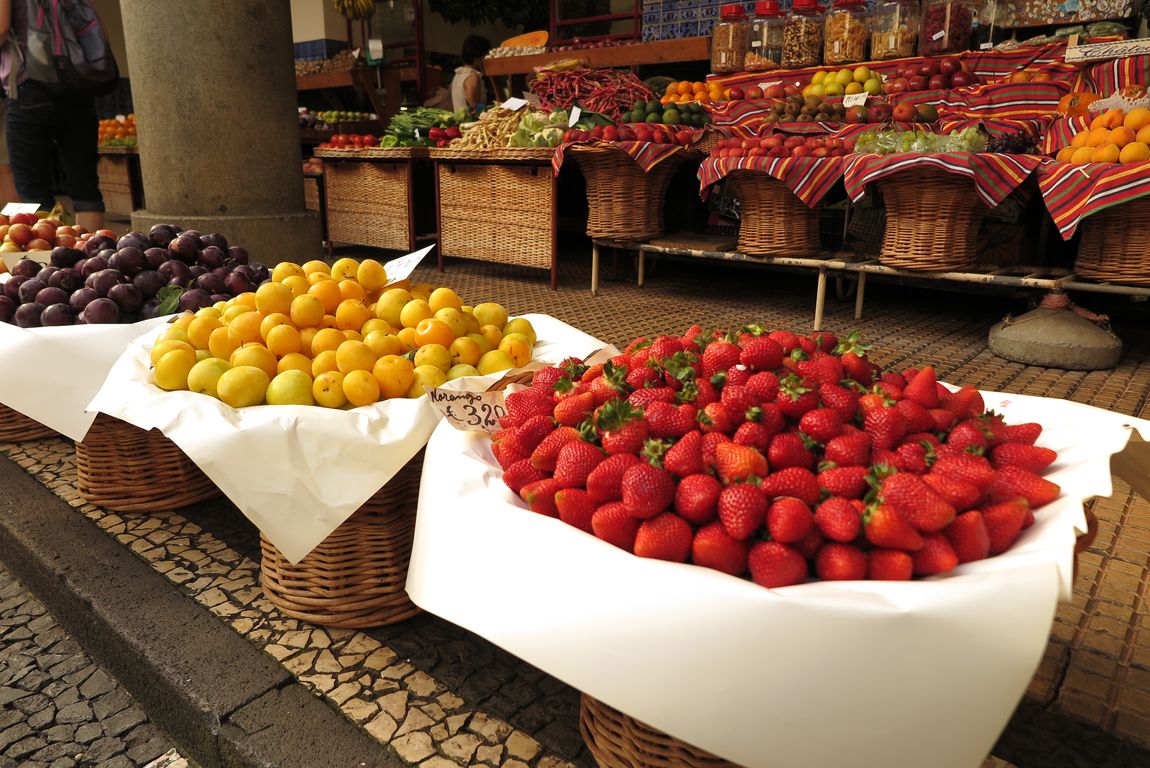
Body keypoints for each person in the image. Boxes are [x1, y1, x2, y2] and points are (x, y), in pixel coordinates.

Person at [0, 0, 105, 231]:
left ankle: (43, 262)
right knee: (85, 186)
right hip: (77, 87)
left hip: (29, 88)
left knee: (31, 189)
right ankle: (95, 258)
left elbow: (1, 27)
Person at [451, 35, 491, 113]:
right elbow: (475, 108)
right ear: (479, 55)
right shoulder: (473, 77)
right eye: (486, 54)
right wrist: (490, 109)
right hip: (470, 124)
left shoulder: (459, 74)